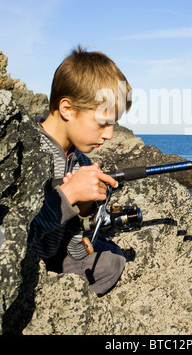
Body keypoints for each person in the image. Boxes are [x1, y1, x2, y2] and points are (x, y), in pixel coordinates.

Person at [29, 46, 132, 296]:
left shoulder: (82, 162)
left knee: (113, 261)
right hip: (20, 262)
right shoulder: (26, 153)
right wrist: (67, 196)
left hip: (55, 260)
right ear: (67, 109)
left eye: (113, 124)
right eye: (102, 122)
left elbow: (76, 251)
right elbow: (16, 237)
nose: (109, 134)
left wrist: (84, 210)